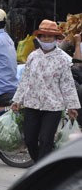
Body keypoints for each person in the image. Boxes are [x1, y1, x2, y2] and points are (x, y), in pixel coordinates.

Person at [11, 20, 80, 162]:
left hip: (53, 106)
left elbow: (67, 84)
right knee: (30, 139)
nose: (46, 39)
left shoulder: (62, 59)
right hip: (32, 104)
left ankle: (40, 172)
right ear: (39, 37)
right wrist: (17, 100)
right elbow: (25, 80)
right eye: (43, 36)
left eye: (50, 36)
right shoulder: (33, 56)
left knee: (45, 139)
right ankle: (40, 165)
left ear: (56, 39)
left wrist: (72, 106)